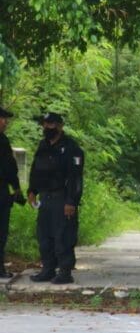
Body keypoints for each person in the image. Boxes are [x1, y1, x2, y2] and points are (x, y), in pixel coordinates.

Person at [27, 113, 84, 284]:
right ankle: (48, 269)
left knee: (63, 235)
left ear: (60, 126)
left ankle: (65, 272)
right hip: (45, 197)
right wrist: (32, 190)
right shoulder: (43, 145)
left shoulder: (71, 148)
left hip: (62, 198)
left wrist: (71, 201)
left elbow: (75, 177)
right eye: (44, 124)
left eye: (50, 124)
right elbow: (35, 170)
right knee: (44, 235)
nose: (46, 127)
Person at [0, 107, 23, 279]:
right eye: (3, 119)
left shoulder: (3, 139)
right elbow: (9, 167)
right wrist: (16, 187)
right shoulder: (2, 140)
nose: (5, 122)